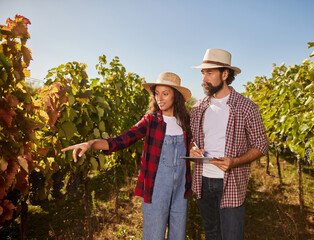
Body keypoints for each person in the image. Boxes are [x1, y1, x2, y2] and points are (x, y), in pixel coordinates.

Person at [61, 72, 193, 240]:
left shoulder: (186, 123)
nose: (159, 98)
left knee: (178, 236)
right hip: (155, 190)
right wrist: (91, 144)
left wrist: (194, 148)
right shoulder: (151, 121)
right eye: (157, 93)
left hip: (181, 190)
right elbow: (121, 140)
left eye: (165, 93)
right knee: (154, 236)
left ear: (177, 96)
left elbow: (191, 147)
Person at [189, 49, 269, 239]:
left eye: (209, 73)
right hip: (203, 181)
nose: (204, 78)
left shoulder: (246, 107)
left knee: (231, 236)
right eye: (202, 73)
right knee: (211, 233)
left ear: (225, 74)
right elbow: (193, 140)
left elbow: (261, 144)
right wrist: (192, 149)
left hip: (231, 182)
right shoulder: (198, 108)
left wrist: (235, 162)